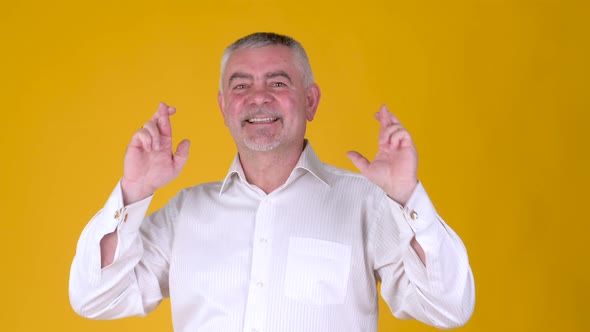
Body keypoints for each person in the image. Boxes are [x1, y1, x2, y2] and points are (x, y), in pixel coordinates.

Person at [69, 32, 475, 332]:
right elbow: (95, 297)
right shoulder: (185, 212)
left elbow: (449, 307)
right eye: (241, 85)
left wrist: (406, 197)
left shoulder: (365, 203)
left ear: (310, 100)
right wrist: (133, 192)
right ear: (224, 106)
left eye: (278, 83)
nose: (258, 97)